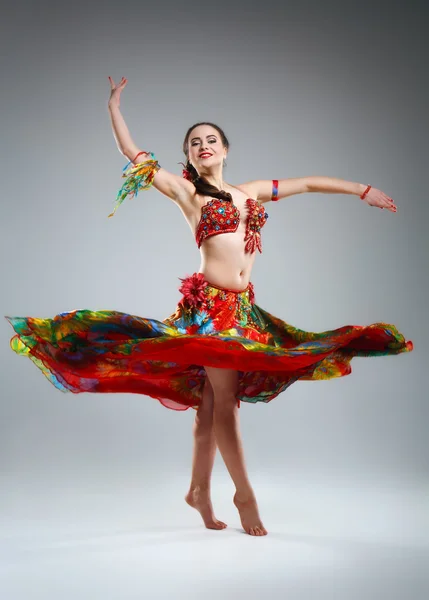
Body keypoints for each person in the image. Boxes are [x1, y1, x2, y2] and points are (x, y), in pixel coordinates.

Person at [5, 76, 413, 538]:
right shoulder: (187, 193)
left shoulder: (251, 192)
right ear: (189, 154)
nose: (204, 146)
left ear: (225, 149)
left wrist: (362, 189)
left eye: (211, 140)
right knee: (226, 407)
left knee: (208, 406)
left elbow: (309, 183)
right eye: (194, 142)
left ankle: (198, 490)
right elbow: (134, 156)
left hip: (243, 313)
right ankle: (245, 496)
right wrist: (114, 108)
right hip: (209, 312)